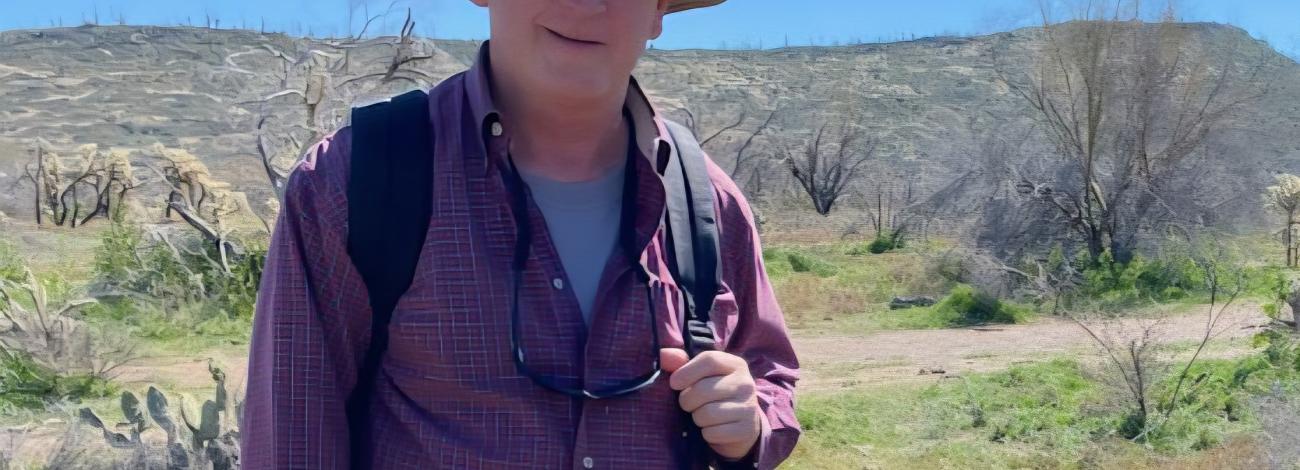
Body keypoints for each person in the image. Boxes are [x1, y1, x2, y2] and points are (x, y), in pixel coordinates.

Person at [241, 0, 799, 468]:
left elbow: (769, 375)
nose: (587, 4)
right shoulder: (353, 182)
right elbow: (293, 435)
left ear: (657, 12)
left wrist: (749, 424)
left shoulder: (707, 202)